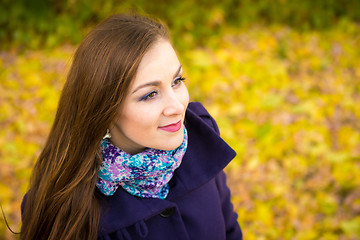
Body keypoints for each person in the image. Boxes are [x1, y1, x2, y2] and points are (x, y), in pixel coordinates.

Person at [20, 13, 242, 240]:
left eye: (177, 81)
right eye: (150, 94)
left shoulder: (200, 144)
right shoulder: (70, 212)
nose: (177, 107)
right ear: (105, 110)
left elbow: (230, 232)